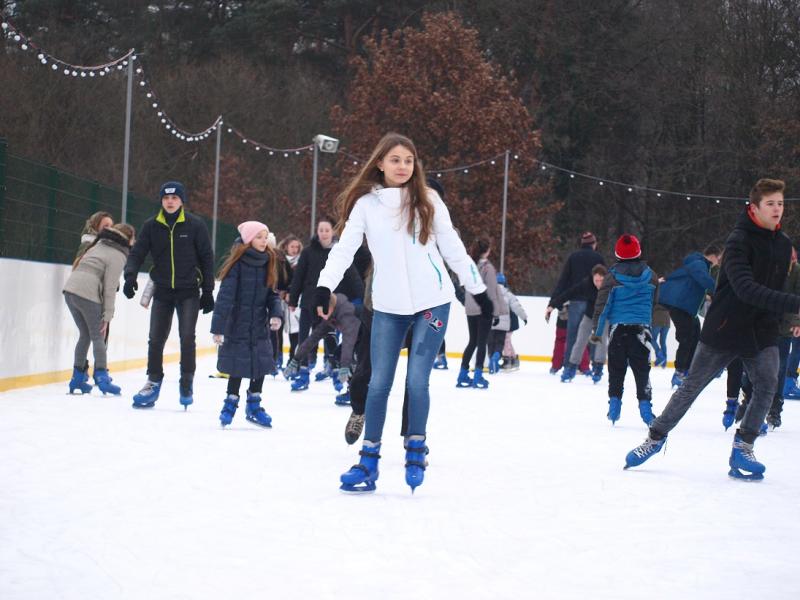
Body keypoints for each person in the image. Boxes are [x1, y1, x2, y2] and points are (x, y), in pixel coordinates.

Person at [314, 132, 491, 493]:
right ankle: (368, 462)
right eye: (395, 159)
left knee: (416, 380)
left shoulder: (428, 200)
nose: (403, 166)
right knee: (379, 383)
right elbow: (344, 249)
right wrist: (324, 285)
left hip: (433, 302)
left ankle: (414, 448)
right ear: (380, 163)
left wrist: (479, 291)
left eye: (409, 160)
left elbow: (453, 248)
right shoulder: (366, 205)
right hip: (389, 306)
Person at [625, 179, 800, 481]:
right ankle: (654, 438)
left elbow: (779, 287)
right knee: (691, 387)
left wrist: (789, 315)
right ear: (754, 207)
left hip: (762, 329)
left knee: (768, 383)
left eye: (780, 203)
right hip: (726, 326)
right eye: (770, 203)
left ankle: (743, 446)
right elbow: (746, 289)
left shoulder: (784, 245)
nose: (777, 209)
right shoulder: (737, 242)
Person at [123, 181, 215, 409]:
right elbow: (137, 253)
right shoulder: (151, 226)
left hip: (188, 292)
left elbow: (206, 257)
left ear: (182, 201)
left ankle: (186, 381)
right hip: (162, 291)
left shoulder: (195, 225)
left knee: (186, 337)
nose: (170, 202)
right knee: (155, 338)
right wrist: (130, 275)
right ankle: (153, 381)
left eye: (174, 198)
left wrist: (208, 290)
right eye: (166, 198)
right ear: (162, 201)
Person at [211, 222, 282, 428]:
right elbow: (225, 298)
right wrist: (218, 328)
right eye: (259, 236)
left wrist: (275, 314)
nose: (264, 240)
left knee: (260, 365)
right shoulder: (238, 264)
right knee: (237, 366)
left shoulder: (269, 261)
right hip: (238, 325)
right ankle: (230, 403)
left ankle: (254, 405)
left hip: (259, 325)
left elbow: (272, 294)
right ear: (249, 239)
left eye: (265, 236)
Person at [288, 219, 364, 389]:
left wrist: (360, 298)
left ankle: (337, 374)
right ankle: (303, 374)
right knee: (305, 338)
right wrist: (293, 299)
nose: (323, 233)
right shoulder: (308, 252)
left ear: (332, 232)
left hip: (329, 305)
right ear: (317, 232)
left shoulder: (339, 253)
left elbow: (353, 276)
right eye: (321, 230)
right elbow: (299, 277)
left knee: (330, 339)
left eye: (327, 230)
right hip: (309, 302)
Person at [593, 235, 659, 425]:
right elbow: (653, 303)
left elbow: (602, 307)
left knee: (616, 369)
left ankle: (614, 407)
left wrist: (597, 333)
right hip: (642, 329)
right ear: (639, 252)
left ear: (617, 253)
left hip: (618, 330)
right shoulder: (652, 276)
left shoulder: (611, 278)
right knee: (642, 370)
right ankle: (646, 410)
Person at [64, 223, 135, 395]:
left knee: (85, 334)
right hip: (87, 293)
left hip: (70, 290)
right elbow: (110, 288)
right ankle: (102, 377)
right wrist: (107, 316)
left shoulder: (99, 244)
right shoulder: (118, 254)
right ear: (128, 239)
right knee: (98, 335)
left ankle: (77, 378)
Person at [657, 244, 721, 387]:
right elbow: (704, 280)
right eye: (719, 258)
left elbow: (694, 285)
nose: (718, 262)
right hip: (680, 306)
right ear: (713, 256)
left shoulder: (700, 264)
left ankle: (689, 371)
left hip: (687, 308)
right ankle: (680, 372)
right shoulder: (699, 263)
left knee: (695, 336)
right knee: (686, 337)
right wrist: (720, 292)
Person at [283, 293, 361, 403]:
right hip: (358, 338)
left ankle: (357, 394)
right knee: (338, 355)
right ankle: (354, 392)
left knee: (354, 359)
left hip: (369, 337)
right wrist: (296, 359)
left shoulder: (346, 313)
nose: (321, 316)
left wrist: (345, 365)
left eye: (322, 312)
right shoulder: (332, 313)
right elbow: (313, 338)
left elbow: (349, 342)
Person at [548, 231, 605, 371]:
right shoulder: (598, 258)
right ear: (593, 244)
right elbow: (606, 280)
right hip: (593, 302)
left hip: (575, 301)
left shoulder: (573, 257)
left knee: (573, 335)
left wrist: (553, 302)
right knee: (594, 335)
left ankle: (569, 365)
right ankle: (589, 366)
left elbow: (563, 281)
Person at [548, 264, 609, 383]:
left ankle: (598, 368)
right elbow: (569, 293)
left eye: (601, 280)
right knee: (580, 340)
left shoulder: (611, 285)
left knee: (600, 341)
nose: (598, 283)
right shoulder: (587, 284)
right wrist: (553, 305)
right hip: (589, 316)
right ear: (592, 278)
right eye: (596, 280)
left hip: (604, 317)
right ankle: (571, 368)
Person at [456, 238, 499, 389]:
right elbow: (492, 291)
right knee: (482, 342)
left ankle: (462, 374)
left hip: (470, 308)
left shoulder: (469, 266)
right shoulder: (488, 268)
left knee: (472, 341)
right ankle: (478, 376)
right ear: (487, 251)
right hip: (483, 307)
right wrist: (495, 311)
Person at [650, 303, 671, 368]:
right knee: (663, 342)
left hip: (657, 319)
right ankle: (664, 363)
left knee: (652, 339)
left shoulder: (655, 296)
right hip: (667, 320)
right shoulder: (667, 298)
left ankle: (660, 356)